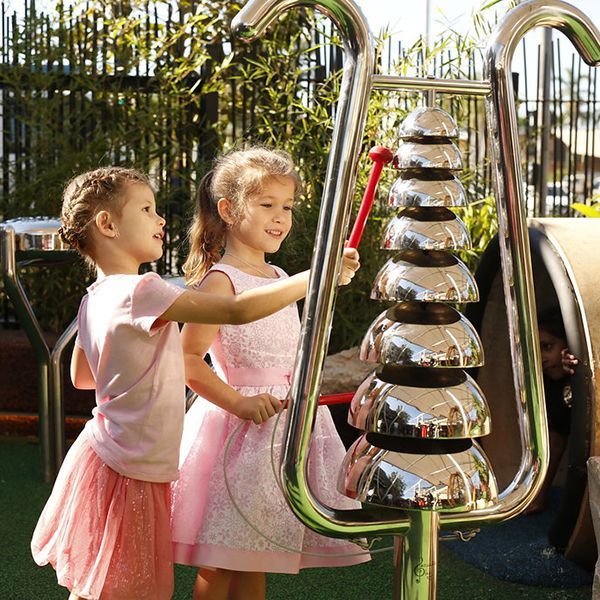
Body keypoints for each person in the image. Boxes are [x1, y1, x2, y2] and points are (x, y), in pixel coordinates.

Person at [30, 165, 360, 600]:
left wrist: (143, 360)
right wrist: (315, 278)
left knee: (108, 577)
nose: (161, 218)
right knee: (128, 585)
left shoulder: (96, 296)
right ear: (107, 225)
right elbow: (237, 312)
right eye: (147, 209)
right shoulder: (142, 289)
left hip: (103, 453)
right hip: (134, 462)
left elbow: (82, 375)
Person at [170, 147, 370, 600]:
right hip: (236, 436)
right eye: (266, 205)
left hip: (282, 432)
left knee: (254, 551)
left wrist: (330, 279)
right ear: (228, 209)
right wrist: (239, 402)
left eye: (287, 207)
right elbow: (186, 359)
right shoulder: (221, 282)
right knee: (221, 559)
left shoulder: (278, 273)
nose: (280, 217)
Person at [527, 306, 578, 514]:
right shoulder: (549, 382)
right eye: (536, 349)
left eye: (547, 346)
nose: (541, 358)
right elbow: (556, 438)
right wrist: (538, 496)